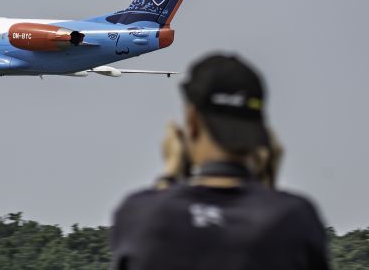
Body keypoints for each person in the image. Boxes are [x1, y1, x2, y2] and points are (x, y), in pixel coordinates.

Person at [111, 53, 329, 270]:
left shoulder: (139, 213)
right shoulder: (296, 217)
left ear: (192, 121)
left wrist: (170, 172)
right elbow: (267, 225)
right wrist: (267, 181)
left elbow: (155, 217)